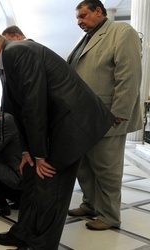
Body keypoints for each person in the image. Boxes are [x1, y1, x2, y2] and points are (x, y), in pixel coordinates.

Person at [0, 27, 116, 250]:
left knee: (51, 188)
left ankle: (42, 245)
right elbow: (18, 111)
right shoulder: (7, 60)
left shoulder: (18, 52)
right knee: (30, 176)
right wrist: (27, 152)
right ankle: (22, 233)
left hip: (71, 126)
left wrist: (39, 154)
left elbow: (34, 104)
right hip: (55, 126)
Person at [67, 0, 142, 231]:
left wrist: (118, 112)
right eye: (77, 18)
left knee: (107, 169)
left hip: (107, 116)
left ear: (99, 11)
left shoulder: (122, 32)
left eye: (83, 16)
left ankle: (110, 215)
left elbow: (128, 75)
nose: (79, 22)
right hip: (82, 119)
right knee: (84, 166)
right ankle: (90, 203)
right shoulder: (86, 39)